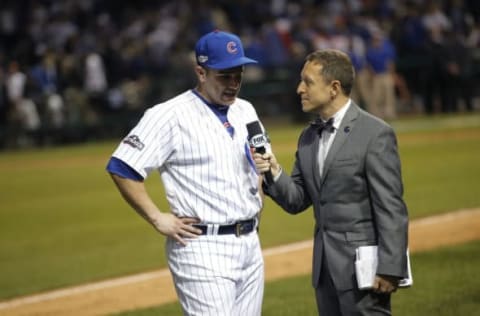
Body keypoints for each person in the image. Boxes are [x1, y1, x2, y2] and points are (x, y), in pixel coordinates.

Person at [106, 30, 267, 316]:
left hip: (250, 244)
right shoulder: (169, 115)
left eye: (238, 75)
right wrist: (157, 218)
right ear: (201, 72)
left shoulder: (246, 110)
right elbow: (122, 166)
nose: (233, 84)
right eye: (224, 76)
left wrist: (257, 196)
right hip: (202, 248)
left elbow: (257, 161)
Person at [254, 49, 409, 315]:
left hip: (366, 272)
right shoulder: (308, 136)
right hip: (324, 271)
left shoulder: (375, 133)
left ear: (334, 87)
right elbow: (297, 199)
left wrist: (390, 268)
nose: (299, 88)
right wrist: (273, 171)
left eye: (308, 82)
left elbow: (391, 208)